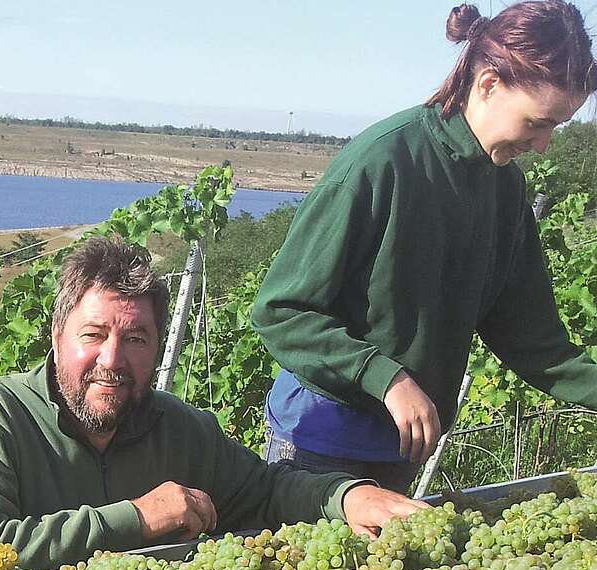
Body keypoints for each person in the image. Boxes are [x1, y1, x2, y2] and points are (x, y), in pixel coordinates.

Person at [251, 1, 597, 493]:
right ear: (489, 84)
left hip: (403, 447)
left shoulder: (505, 190)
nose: (543, 144)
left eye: (555, 129)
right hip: (317, 443)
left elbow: (533, 339)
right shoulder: (381, 163)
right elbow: (280, 312)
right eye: (537, 122)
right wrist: (388, 379)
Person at [0, 236, 425, 570]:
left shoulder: (179, 430)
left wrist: (345, 497)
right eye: (93, 335)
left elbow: (267, 490)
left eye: (137, 339)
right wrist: (138, 519)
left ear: (160, 349)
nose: (112, 359)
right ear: (57, 338)